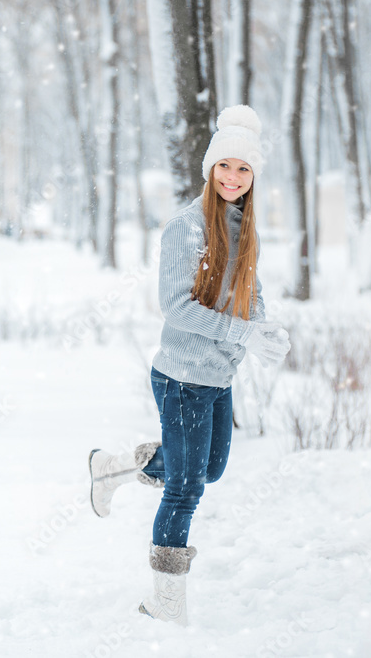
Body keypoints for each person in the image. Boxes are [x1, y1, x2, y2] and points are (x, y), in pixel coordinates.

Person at [87, 105, 291, 625]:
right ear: (210, 167)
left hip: (218, 376)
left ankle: (114, 470)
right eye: (225, 166)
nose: (232, 177)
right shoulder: (186, 228)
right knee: (186, 488)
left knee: (210, 469)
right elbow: (175, 306)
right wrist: (242, 331)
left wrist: (262, 328)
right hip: (180, 377)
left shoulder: (245, 228)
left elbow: (253, 291)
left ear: (253, 177)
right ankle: (166, 604)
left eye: (243, 169)